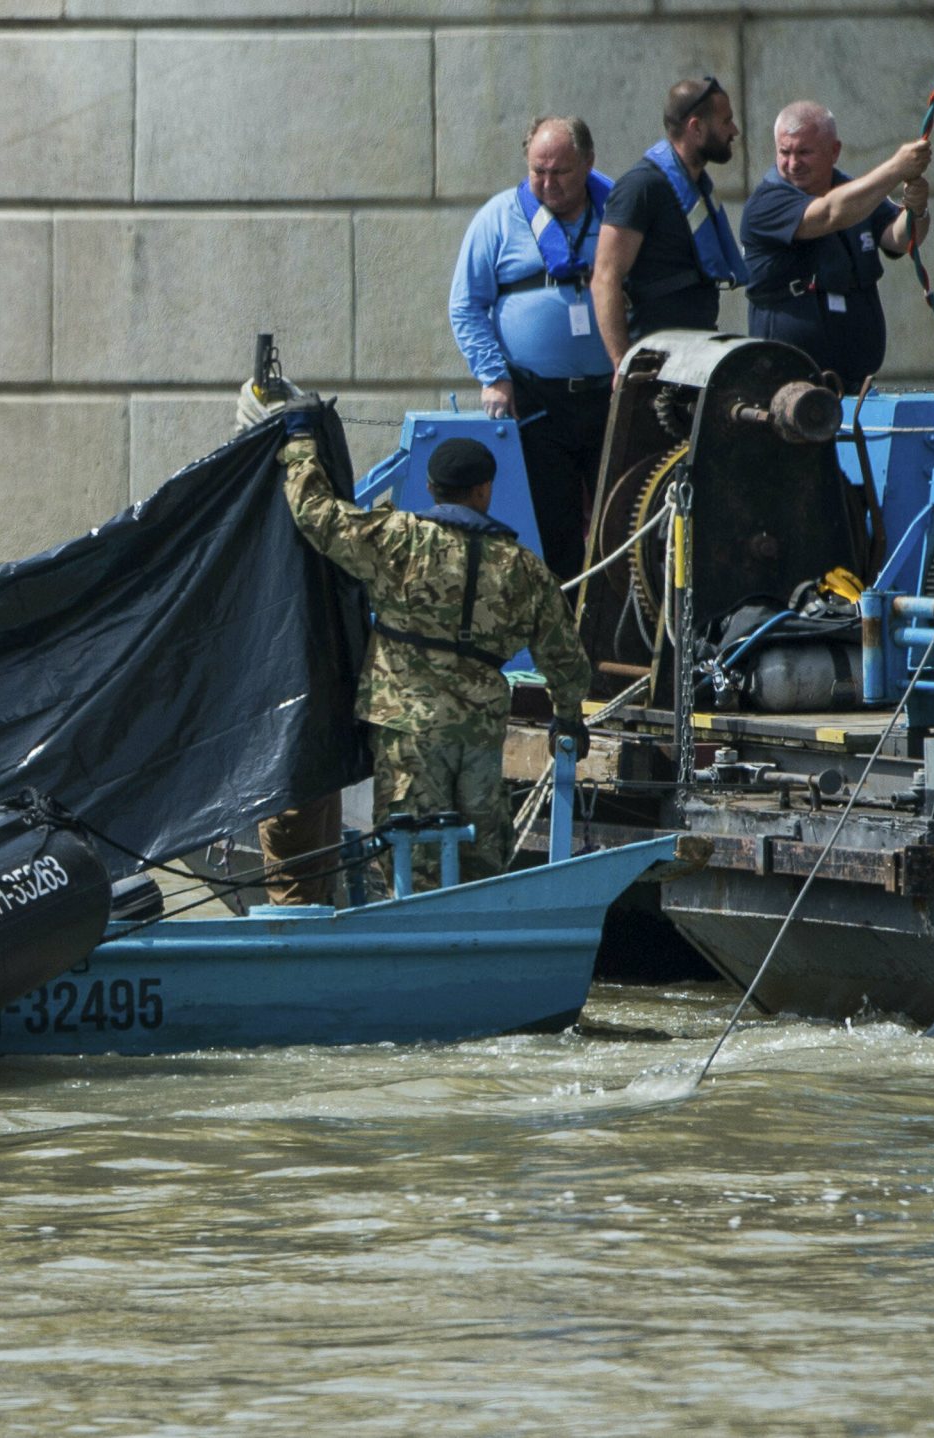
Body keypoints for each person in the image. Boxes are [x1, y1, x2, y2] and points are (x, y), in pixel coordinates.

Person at [278, 421, 593, 895]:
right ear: (485, 490)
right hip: (479, 732)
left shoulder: (399, 538)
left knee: (412, 852)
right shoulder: (523, 567)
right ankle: (479, 945)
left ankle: (413, 946)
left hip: (407, 727)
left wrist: (300, 445)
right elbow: (565, 659)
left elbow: (318, 516)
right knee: (482, 858)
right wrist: (568, 719)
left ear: (430, 488)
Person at [448, 115, 614, 580]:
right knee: (556, 533)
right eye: (537, 171)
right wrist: (494, 376)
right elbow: (465, 306)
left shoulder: (619, 212)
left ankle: (621, 644)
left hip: (612, 396)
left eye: (559, 171)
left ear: (587, 163)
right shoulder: (498, 217)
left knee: (622, 526)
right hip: (536, 401)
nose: (547, 183)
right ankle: (563, 644)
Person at [741, 102, 932, 393]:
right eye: (785, 152)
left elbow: (900, 238)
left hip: (855, 385)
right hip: (789, 389)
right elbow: (831, 214)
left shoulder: (855, 193)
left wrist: (916, 211)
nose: (793, 163)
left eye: (804, 152)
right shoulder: (767, 203)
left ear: (834, 151)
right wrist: (896, 169)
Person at [593, 75, 749, 368]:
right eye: (726, 121)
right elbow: (605, 277)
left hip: (696, 351)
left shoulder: (697, 186)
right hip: (654, 358)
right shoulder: (641, 187)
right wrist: (621, 362)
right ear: (696, 127)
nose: (734, 130)